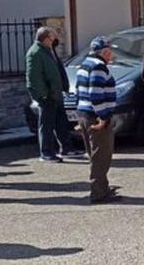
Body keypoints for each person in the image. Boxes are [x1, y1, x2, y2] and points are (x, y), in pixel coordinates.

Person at [75, 37, 119, 204]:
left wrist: (79, 119)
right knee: (101, 156)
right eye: (109, 51)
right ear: (104, 52)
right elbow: (96, 94)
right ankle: (99, 192)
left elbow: (79, 92)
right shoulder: (99, 66)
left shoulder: (84, 64)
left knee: (95, 155)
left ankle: (102, 187)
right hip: (95, 115)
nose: (111, 54)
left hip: (84, 113)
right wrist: (104, 117)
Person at [26, 27, 74, 162]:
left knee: (61, 123)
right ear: (46, 38)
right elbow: (33, 78)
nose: (55, 40)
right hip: (47, 96)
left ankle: (67, 148)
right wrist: (44, 94)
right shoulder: (35, 53)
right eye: (53, 37)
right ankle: (46, 152)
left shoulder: (49, 51)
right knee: (46, 125)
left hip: (56, 94)